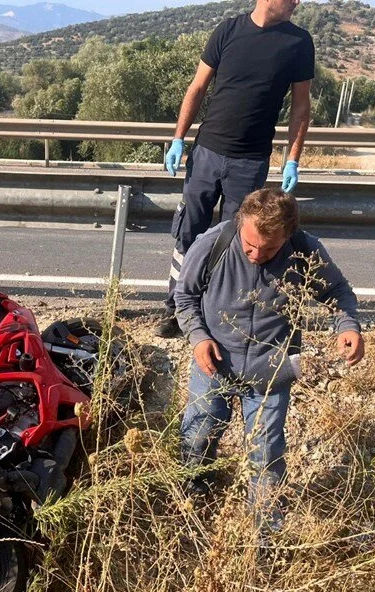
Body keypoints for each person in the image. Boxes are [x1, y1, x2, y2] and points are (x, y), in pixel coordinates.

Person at [174, 188, 363, 537]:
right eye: (249, 245)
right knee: (198, 435)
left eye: (269, 248)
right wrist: (198, 338)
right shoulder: (213, 243)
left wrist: (347, 326)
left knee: (266, 451)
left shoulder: (304, 250)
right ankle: (190, 502)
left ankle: (267, 535)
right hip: (213, 364)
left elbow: (338, 292)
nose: (256, 254)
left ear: (287, 236)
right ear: (239, 224)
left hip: (272, 371)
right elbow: (183, 297)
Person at [156, 0, 314, 338]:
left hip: (250, 161)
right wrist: (178, 138)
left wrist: (292, 159)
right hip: (207, 153)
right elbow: (196, 87)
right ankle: (176, 309)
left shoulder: (299, 43)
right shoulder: (228, 30)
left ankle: (218, 314)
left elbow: (301, 107)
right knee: (188, 234)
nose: (297, 3)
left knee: (234, 240)